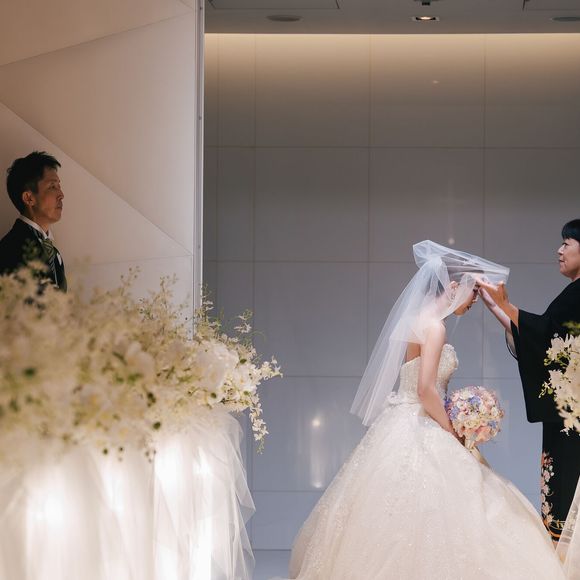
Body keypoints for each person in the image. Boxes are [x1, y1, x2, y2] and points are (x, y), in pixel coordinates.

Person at [285, 241, 566, 580]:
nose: (474, 301)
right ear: (453, 287)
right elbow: (425, 389)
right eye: (473, 292)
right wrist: (454, 431)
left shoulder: (415, 322)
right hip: (423, 420)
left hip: (400, 421)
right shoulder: (435, 327)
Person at [479, 220, 580, 542]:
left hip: (573, 415)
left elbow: (549, 337)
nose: (559, 250)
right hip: (569, 410)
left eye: (567, 243)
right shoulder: (574, 291)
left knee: (567, 486)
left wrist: (504, 305)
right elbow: (543, 339)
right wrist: (497, 307)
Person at [0, 151, 67, 291]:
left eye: (59, 186)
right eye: (52, 186)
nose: (61, 194)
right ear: (29, 198)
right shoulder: (10, 251)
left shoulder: (54, 253)